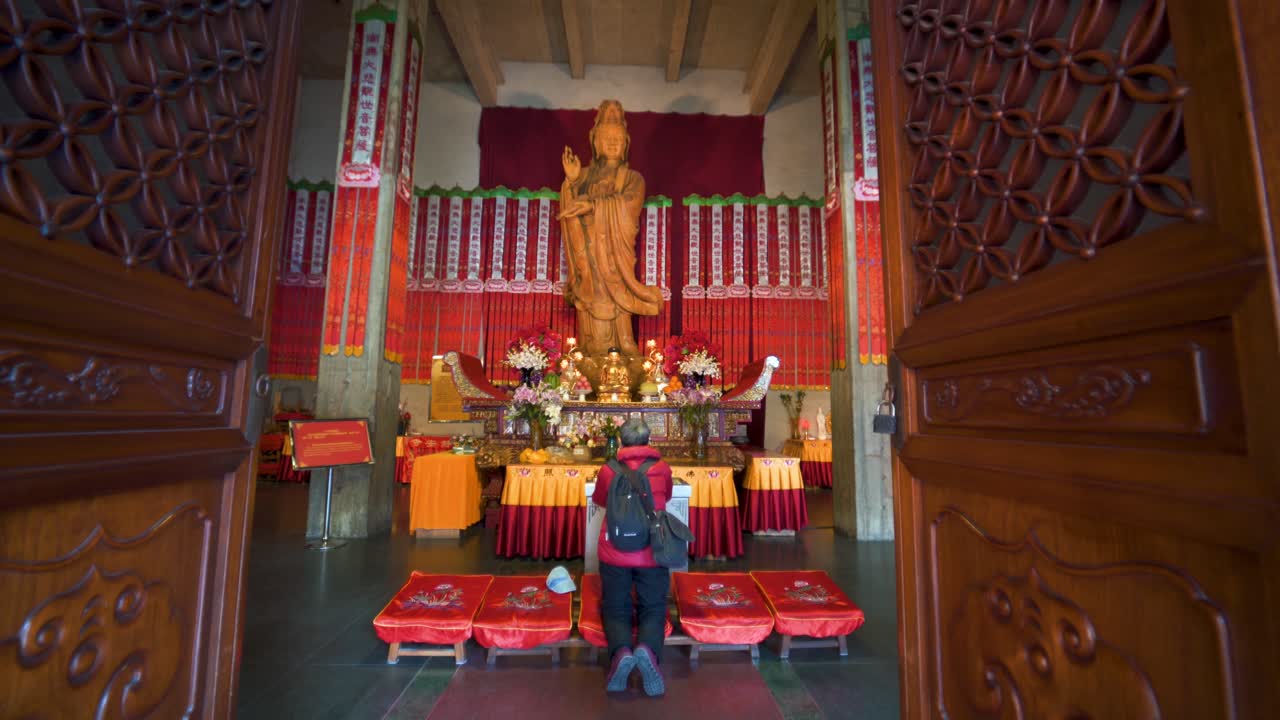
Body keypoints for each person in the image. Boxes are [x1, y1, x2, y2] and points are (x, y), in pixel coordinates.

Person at [558, 100, 663, 357]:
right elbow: (569, 210)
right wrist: (571, 182)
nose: (613, 143)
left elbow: (629, 206)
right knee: (590, 293)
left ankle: (625, 348)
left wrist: (593, 205)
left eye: (618, 138)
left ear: (626, 143)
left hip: (615, 254)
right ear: (596, 142)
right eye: (607, 137)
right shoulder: (581, 176)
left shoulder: (632, 178)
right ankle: (589, 347)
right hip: (588, 254)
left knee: (615, 294)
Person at [591, 417, 673, 696]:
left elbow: (600, 500)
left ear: (622, 440)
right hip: (653, 549)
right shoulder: (661, 468)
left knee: (615, 605)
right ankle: (648, 651)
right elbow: (668, 496)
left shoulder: (608, 470)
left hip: (614, 548)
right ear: (649, 440)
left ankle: (621, 653)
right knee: (653, 605)